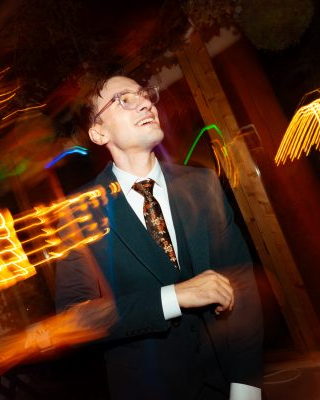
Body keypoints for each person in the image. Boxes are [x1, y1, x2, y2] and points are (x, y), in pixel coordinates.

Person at [55, 74, 263, 400]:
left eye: (144, 94)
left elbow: (243, 286)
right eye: (124, 99)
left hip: (226, 384)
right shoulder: (79, 213)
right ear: (99, 132)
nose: (144, 102)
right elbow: (75, 317)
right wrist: (172, 298)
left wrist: (246, 387)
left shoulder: (202, 184)